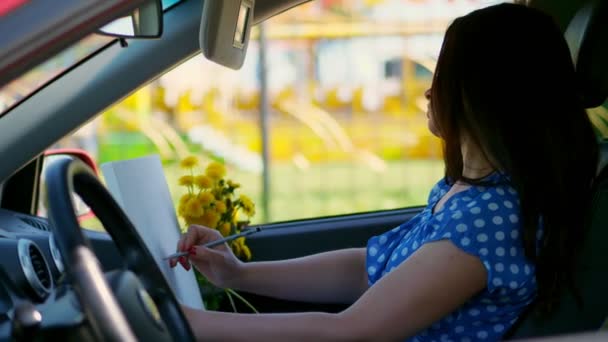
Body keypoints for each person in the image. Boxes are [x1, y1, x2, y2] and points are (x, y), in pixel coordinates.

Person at [170, 3, 598, 341]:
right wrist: (240, 275)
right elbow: (370, 271)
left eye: (445, 75)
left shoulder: (488, 220)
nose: (430, 91)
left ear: (483, 95)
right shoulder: (468, 193)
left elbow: (354, 332)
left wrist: (187, 324)